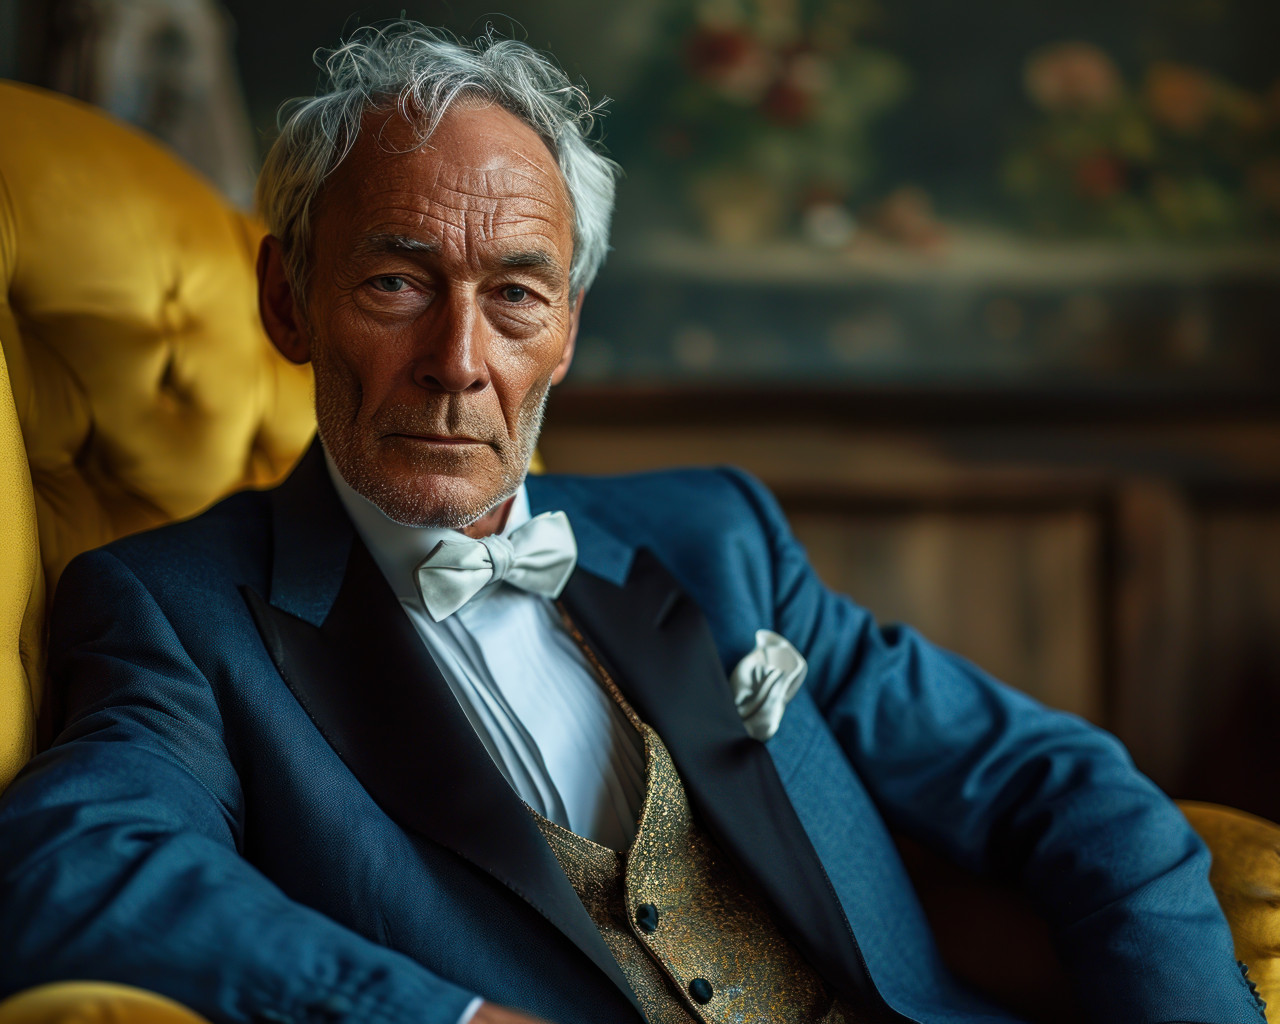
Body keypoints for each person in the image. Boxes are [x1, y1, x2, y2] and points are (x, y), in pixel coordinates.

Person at [0, 21, 1266, 1024]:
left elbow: (1058, 785)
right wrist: (447, 1019)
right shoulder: (174, 608)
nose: (458, 360)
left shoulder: (716, 536)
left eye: (513, 296)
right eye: (395, 283)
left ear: (567, 330)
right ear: (289, 302)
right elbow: (76, 866)